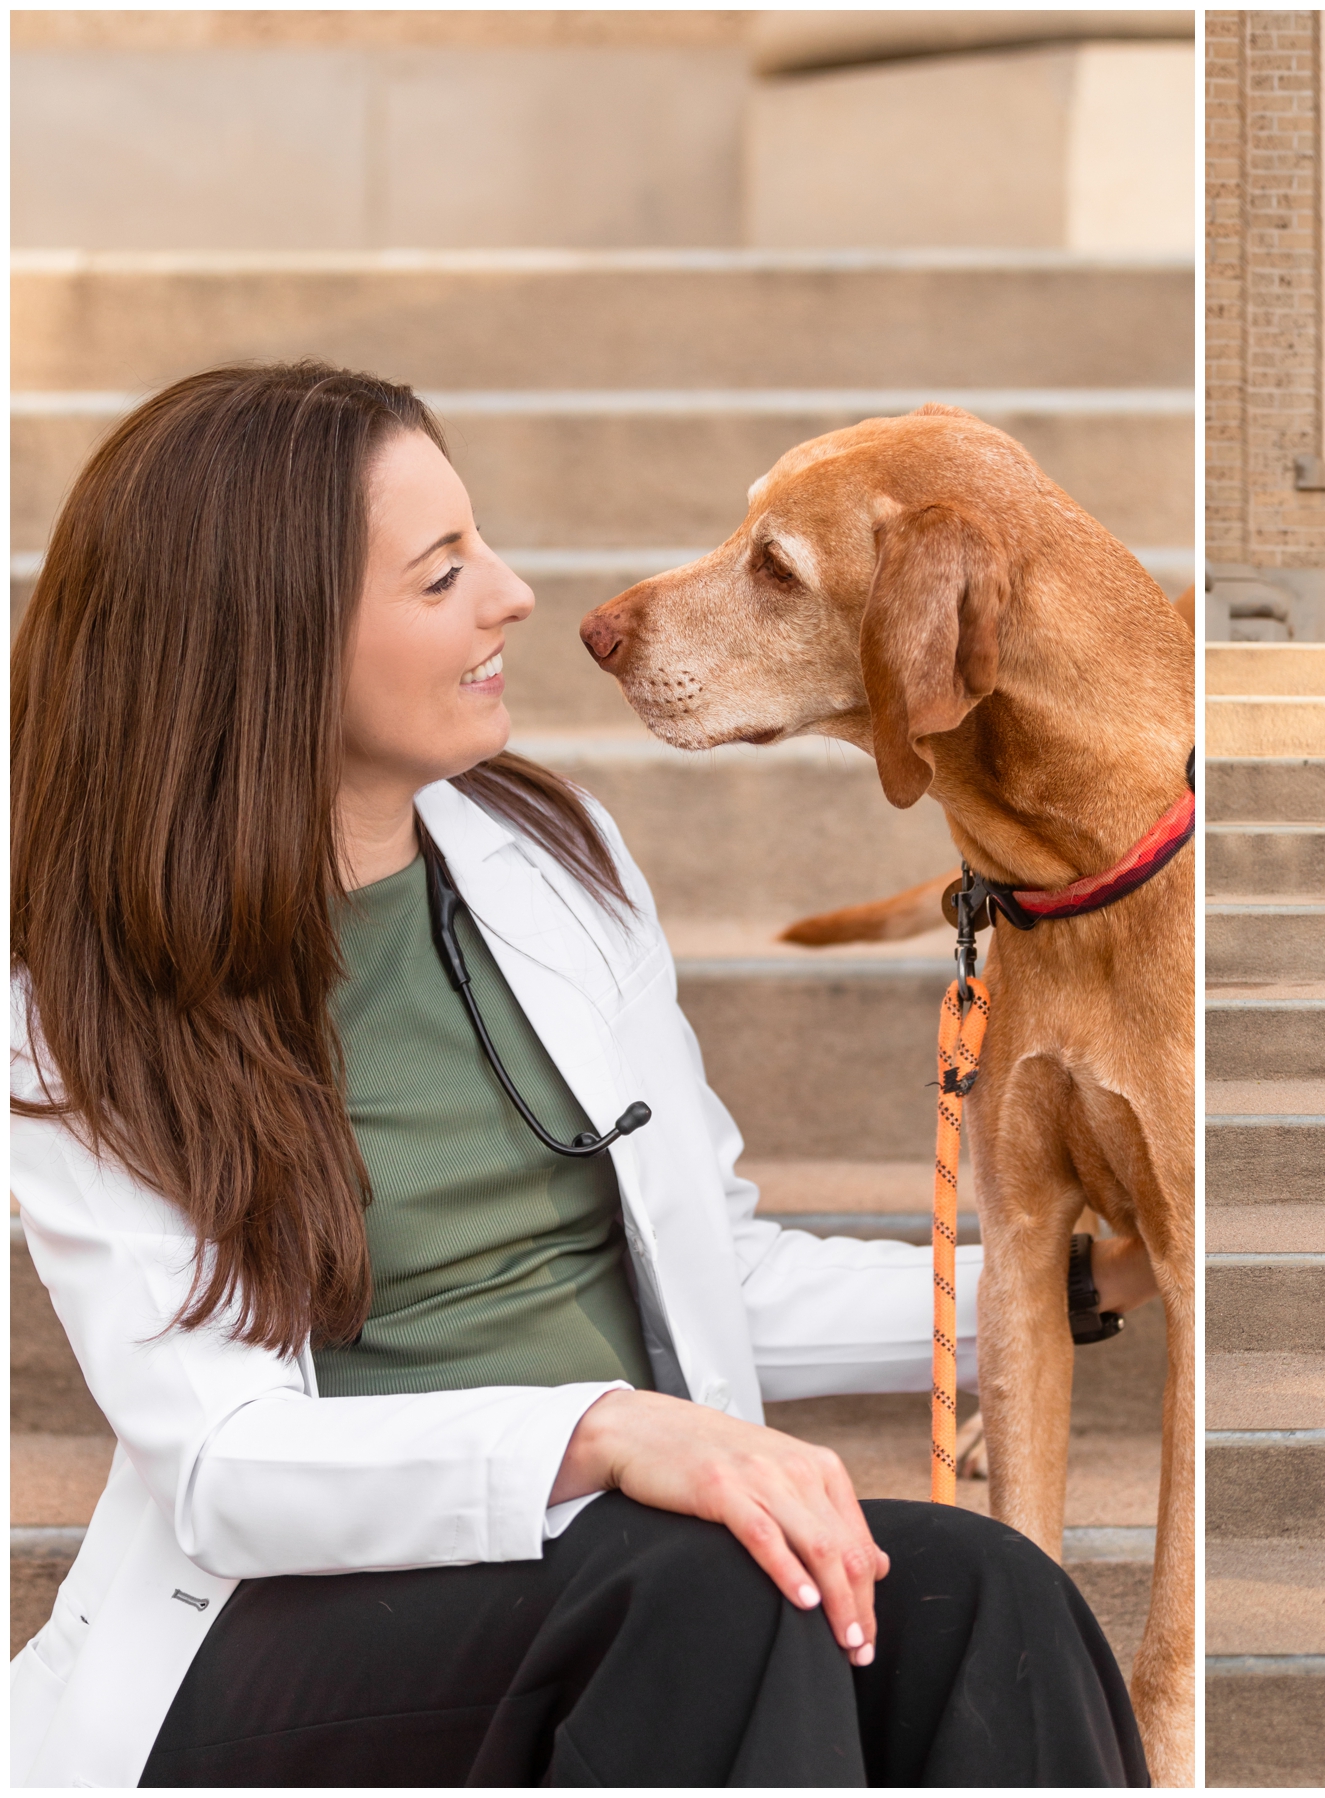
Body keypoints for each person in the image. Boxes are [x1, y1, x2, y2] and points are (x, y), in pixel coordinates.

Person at [9, 362, 1156, 1785]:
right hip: (283, 1634)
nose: (513, 595)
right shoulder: (77, 1002)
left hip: (633, 1579)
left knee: (990, 1594)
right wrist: (608, 1433)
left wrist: (1076, 1279)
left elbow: (714, 1274)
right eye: (441, 577)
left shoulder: (554, 864)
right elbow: (223, 1463)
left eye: (478, 544)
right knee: (716, 1590)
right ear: (275, 640)